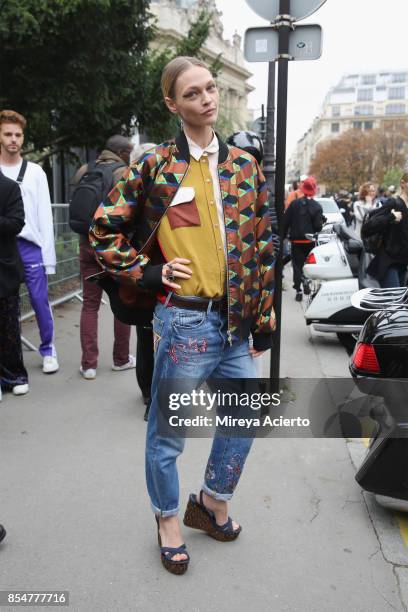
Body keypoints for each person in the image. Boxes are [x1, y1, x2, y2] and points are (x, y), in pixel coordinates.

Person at [90, 56, 275, 575]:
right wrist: (146, 275)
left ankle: (211, 503)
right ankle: (168, 521)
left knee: (246, 417)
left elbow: (260, 244)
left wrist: (263, 319)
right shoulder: (154, 167)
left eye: (212, 88)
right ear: (173, 104)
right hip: (185, 321)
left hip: (236, 322)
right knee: (169, 432)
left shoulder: (244, 165)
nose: (208, 99)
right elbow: (103, 230)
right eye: (193, 93)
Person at [72, 135, 136, 380]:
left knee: (90, 304)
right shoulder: (123, 172)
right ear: (121, 152)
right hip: (113, 248)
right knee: (123, 303)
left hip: (85, 245)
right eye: (128, 152)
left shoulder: (84, 170)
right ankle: (120, 359)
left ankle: (88, 365)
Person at [0, 110, 58, 374]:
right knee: (6, 306)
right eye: (8, 134)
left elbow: (45, 216)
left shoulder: (35, 172)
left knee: (38, 299)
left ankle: (48, 349)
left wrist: (49, 259)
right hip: (3, 245)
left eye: (18, 135)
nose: (13, 139)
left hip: (29, 245)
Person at [130, 142, 156, 421]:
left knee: (145, 333)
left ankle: (148, 392)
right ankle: (153, 396)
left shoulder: (130, 193)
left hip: (143, 275)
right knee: (155, 335)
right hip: (152, 274)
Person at [0, 172, 28, 398]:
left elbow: (17, 222)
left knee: (8, 327)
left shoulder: (8, 186)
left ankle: (14, 376)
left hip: (4, 270)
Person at [283, 176, 325, 301]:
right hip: (310, 241)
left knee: (297, 265)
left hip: (296, 241)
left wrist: (283, 237)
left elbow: (286, 222)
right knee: (309, 265)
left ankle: (299, 290)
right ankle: (306, 280)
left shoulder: (294, 204)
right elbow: (318, 226)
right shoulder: (317, 206)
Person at [364, 171, 408, 288]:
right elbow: (367, 228)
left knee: (400, 304)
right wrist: (391, 217)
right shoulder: (394, 203)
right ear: (403, 183)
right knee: (393, 304)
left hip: (404, 264)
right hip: (389, 264)